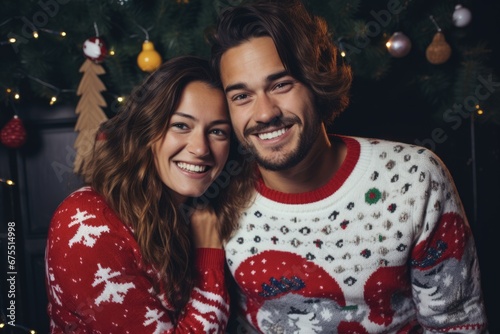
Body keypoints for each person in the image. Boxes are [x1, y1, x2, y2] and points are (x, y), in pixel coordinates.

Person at [209, 0, 489, 333]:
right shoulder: (215, 195)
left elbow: (457, 324)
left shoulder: (413, 179)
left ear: (316, 81)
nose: (265, 112)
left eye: (281, 85)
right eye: (242, 96)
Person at [44, 56, 253, 333]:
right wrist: (209, 258)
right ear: (146, 130)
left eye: (217, 131)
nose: (201, 148)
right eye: (180, 125)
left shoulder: (201, 208)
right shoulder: (87, 223)